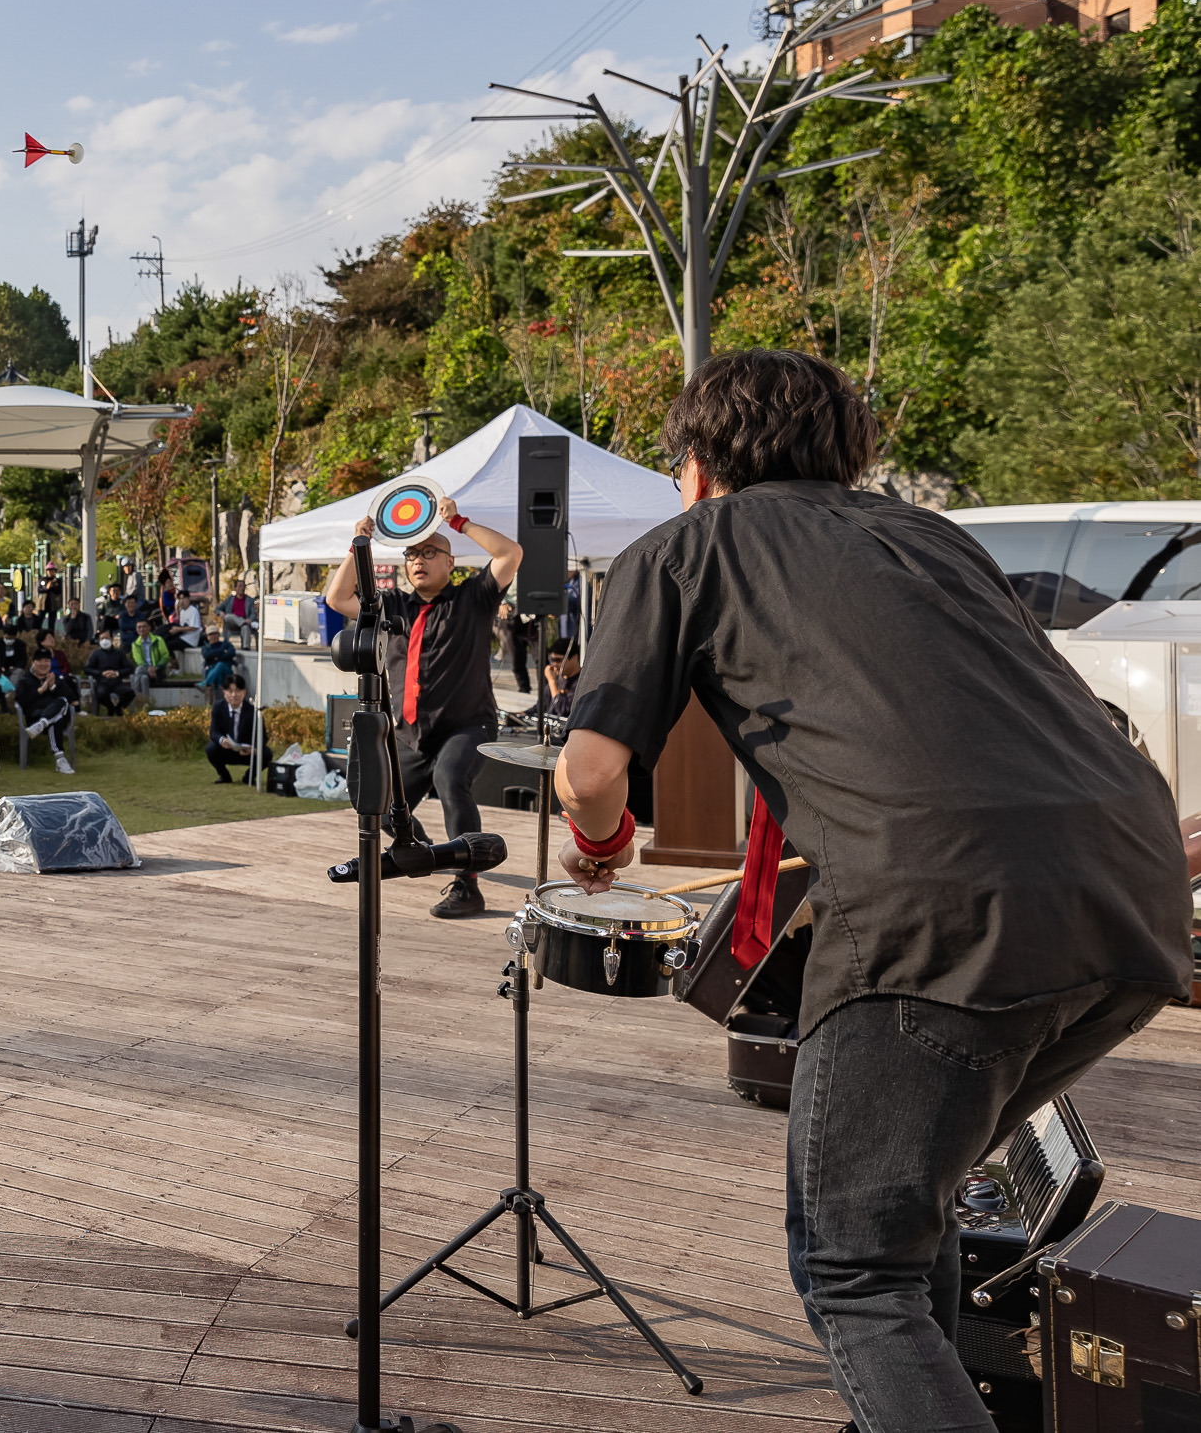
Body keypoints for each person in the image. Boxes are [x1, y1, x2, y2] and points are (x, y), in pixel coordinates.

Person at [563, 354, 1183, 1429]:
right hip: (1132, 900)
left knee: (853, 1267)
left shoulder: (684, 546)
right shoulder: (936, 536)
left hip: (938, 918)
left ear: (700, 467)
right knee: (909, 1204)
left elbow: (590, 768)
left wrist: (603, 840)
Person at [322, 491, 523, 919]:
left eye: (430, 552)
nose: (419, 560)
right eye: (412, 553)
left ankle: (467, 886)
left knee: (451, 778)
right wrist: (359, 544)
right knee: (375, 801)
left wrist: (459, 522)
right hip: (410, 732)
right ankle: (423, 849)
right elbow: (338, 599)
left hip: (467, 726)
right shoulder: (392, 606)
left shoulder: (473, 598)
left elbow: (511, 553)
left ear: (450, 563)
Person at [17, 648, 78, 775]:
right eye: (40, 661)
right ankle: (60, 760)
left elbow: (71, 698)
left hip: (46, 723)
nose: (44, 664)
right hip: (35, 717)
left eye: (47, 660)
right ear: (33, 663)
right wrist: (41, 690)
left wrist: (53, 687)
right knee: (55, 720)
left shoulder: (57, 680)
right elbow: (21, 702)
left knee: (62, 702)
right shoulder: (25, 681)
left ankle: (42, 724)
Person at [206, 676, 259, 784]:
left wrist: (253, 748)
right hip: (226, 749)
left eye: (237, 691)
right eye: (230, 691)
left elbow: (262, 736)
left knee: (266, 753)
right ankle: (224, 776)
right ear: (224, 692)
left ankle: (249, 777)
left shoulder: (252, 710)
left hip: (246, 752)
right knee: (210, 748)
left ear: (244, 692)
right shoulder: (218, 707)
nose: (234, 695)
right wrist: (222, 740)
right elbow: (214, 732)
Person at [83, 631, 134, 717]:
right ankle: (111, 708)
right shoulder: (96, 653)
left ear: (112, 639)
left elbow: (129, 668)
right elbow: (87, 669)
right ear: (99, 640)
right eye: (102, 638)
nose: (104, 640)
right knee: (100, 693)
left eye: (107, 638)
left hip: (117, 682)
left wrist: (117, 673)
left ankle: (118, 709)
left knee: (129, 693)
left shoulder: (119, 653)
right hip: (102, 682)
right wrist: (101, 673)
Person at [128, 618, 173, 701]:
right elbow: (138, 660)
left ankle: (136, 702)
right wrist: (148, 668)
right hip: (144, 670)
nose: (142, 629)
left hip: (158, 670)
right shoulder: (135, 644)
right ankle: (146, 703)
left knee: (137, 673)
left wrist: (156, 667)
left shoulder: (158, 640)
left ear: (149, 628)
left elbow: (165, 656)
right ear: (136, 629)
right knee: (143, 678)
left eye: (144, 626)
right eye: (139, 627)